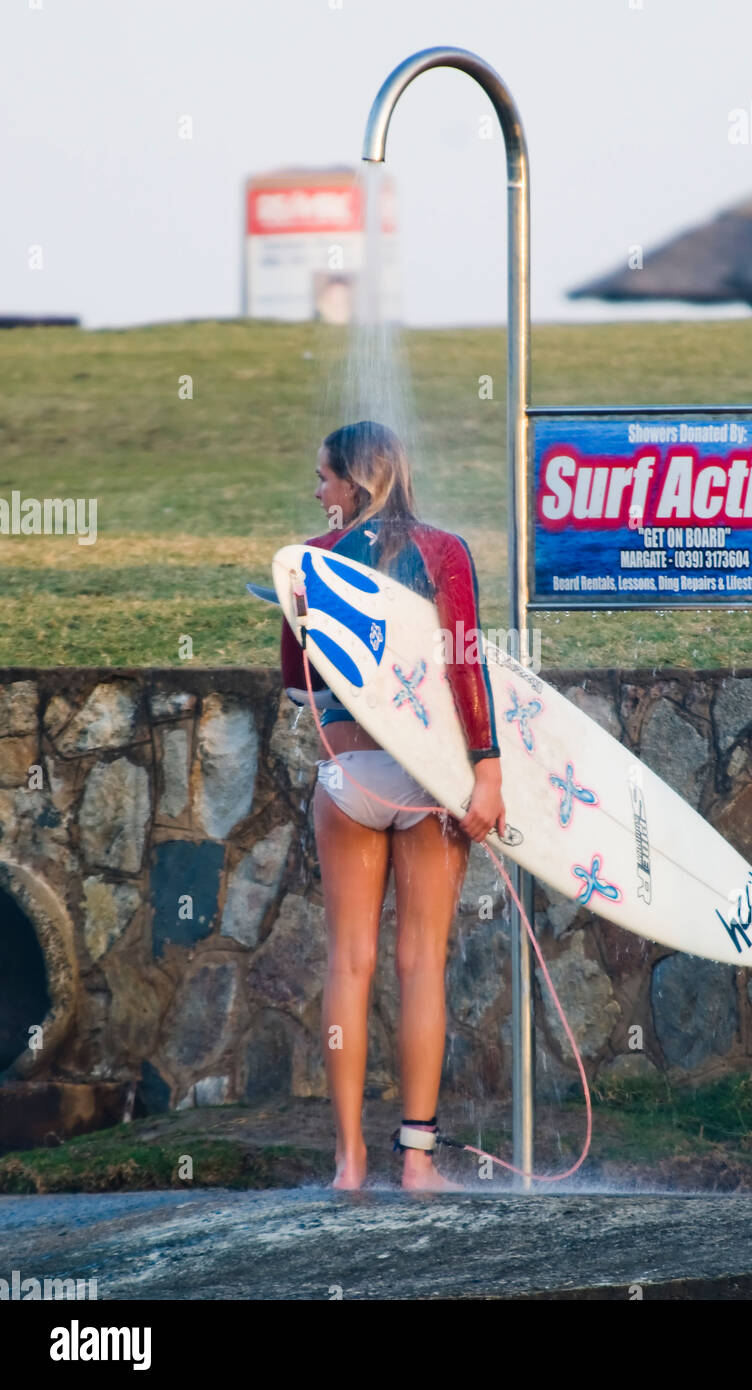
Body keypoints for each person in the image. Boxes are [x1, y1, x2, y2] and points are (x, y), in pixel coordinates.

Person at [280, 420, 505, 1191]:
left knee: (348, 959)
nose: (317, 492)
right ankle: (416, 1160)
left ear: (358, 484)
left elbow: (295, 682)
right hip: (431, 779)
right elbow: (467, 666)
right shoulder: (445, 553)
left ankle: (349, 1162)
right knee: (421, 964)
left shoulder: (307, 563)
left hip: (351, 779)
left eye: (325, 478)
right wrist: (488, 770)